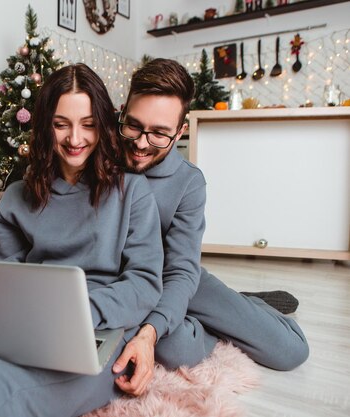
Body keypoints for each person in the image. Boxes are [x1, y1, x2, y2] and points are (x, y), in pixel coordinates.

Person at [0, 63, 164, 416]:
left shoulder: (132, 191)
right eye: (61, 124)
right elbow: (4, 277)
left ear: (102, 124)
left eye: (88, 125)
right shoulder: (16, 198)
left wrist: (79, 312)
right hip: (31, 327)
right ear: (44, 126)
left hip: (99, 333)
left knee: (6, 393)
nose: (75, 139)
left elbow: (145, 282)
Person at [111, 58, 310, 396]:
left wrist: (151, 330)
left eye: (159, 133)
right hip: (127, 283)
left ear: (180, 131)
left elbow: (182, 271)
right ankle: (223, 313)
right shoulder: (99, 157)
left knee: (290, 352)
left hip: (176, 278)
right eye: (133, 126)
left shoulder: (189, 182)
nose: (142, 143)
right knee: (174, 351)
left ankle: (243, 305)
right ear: (123, 112)